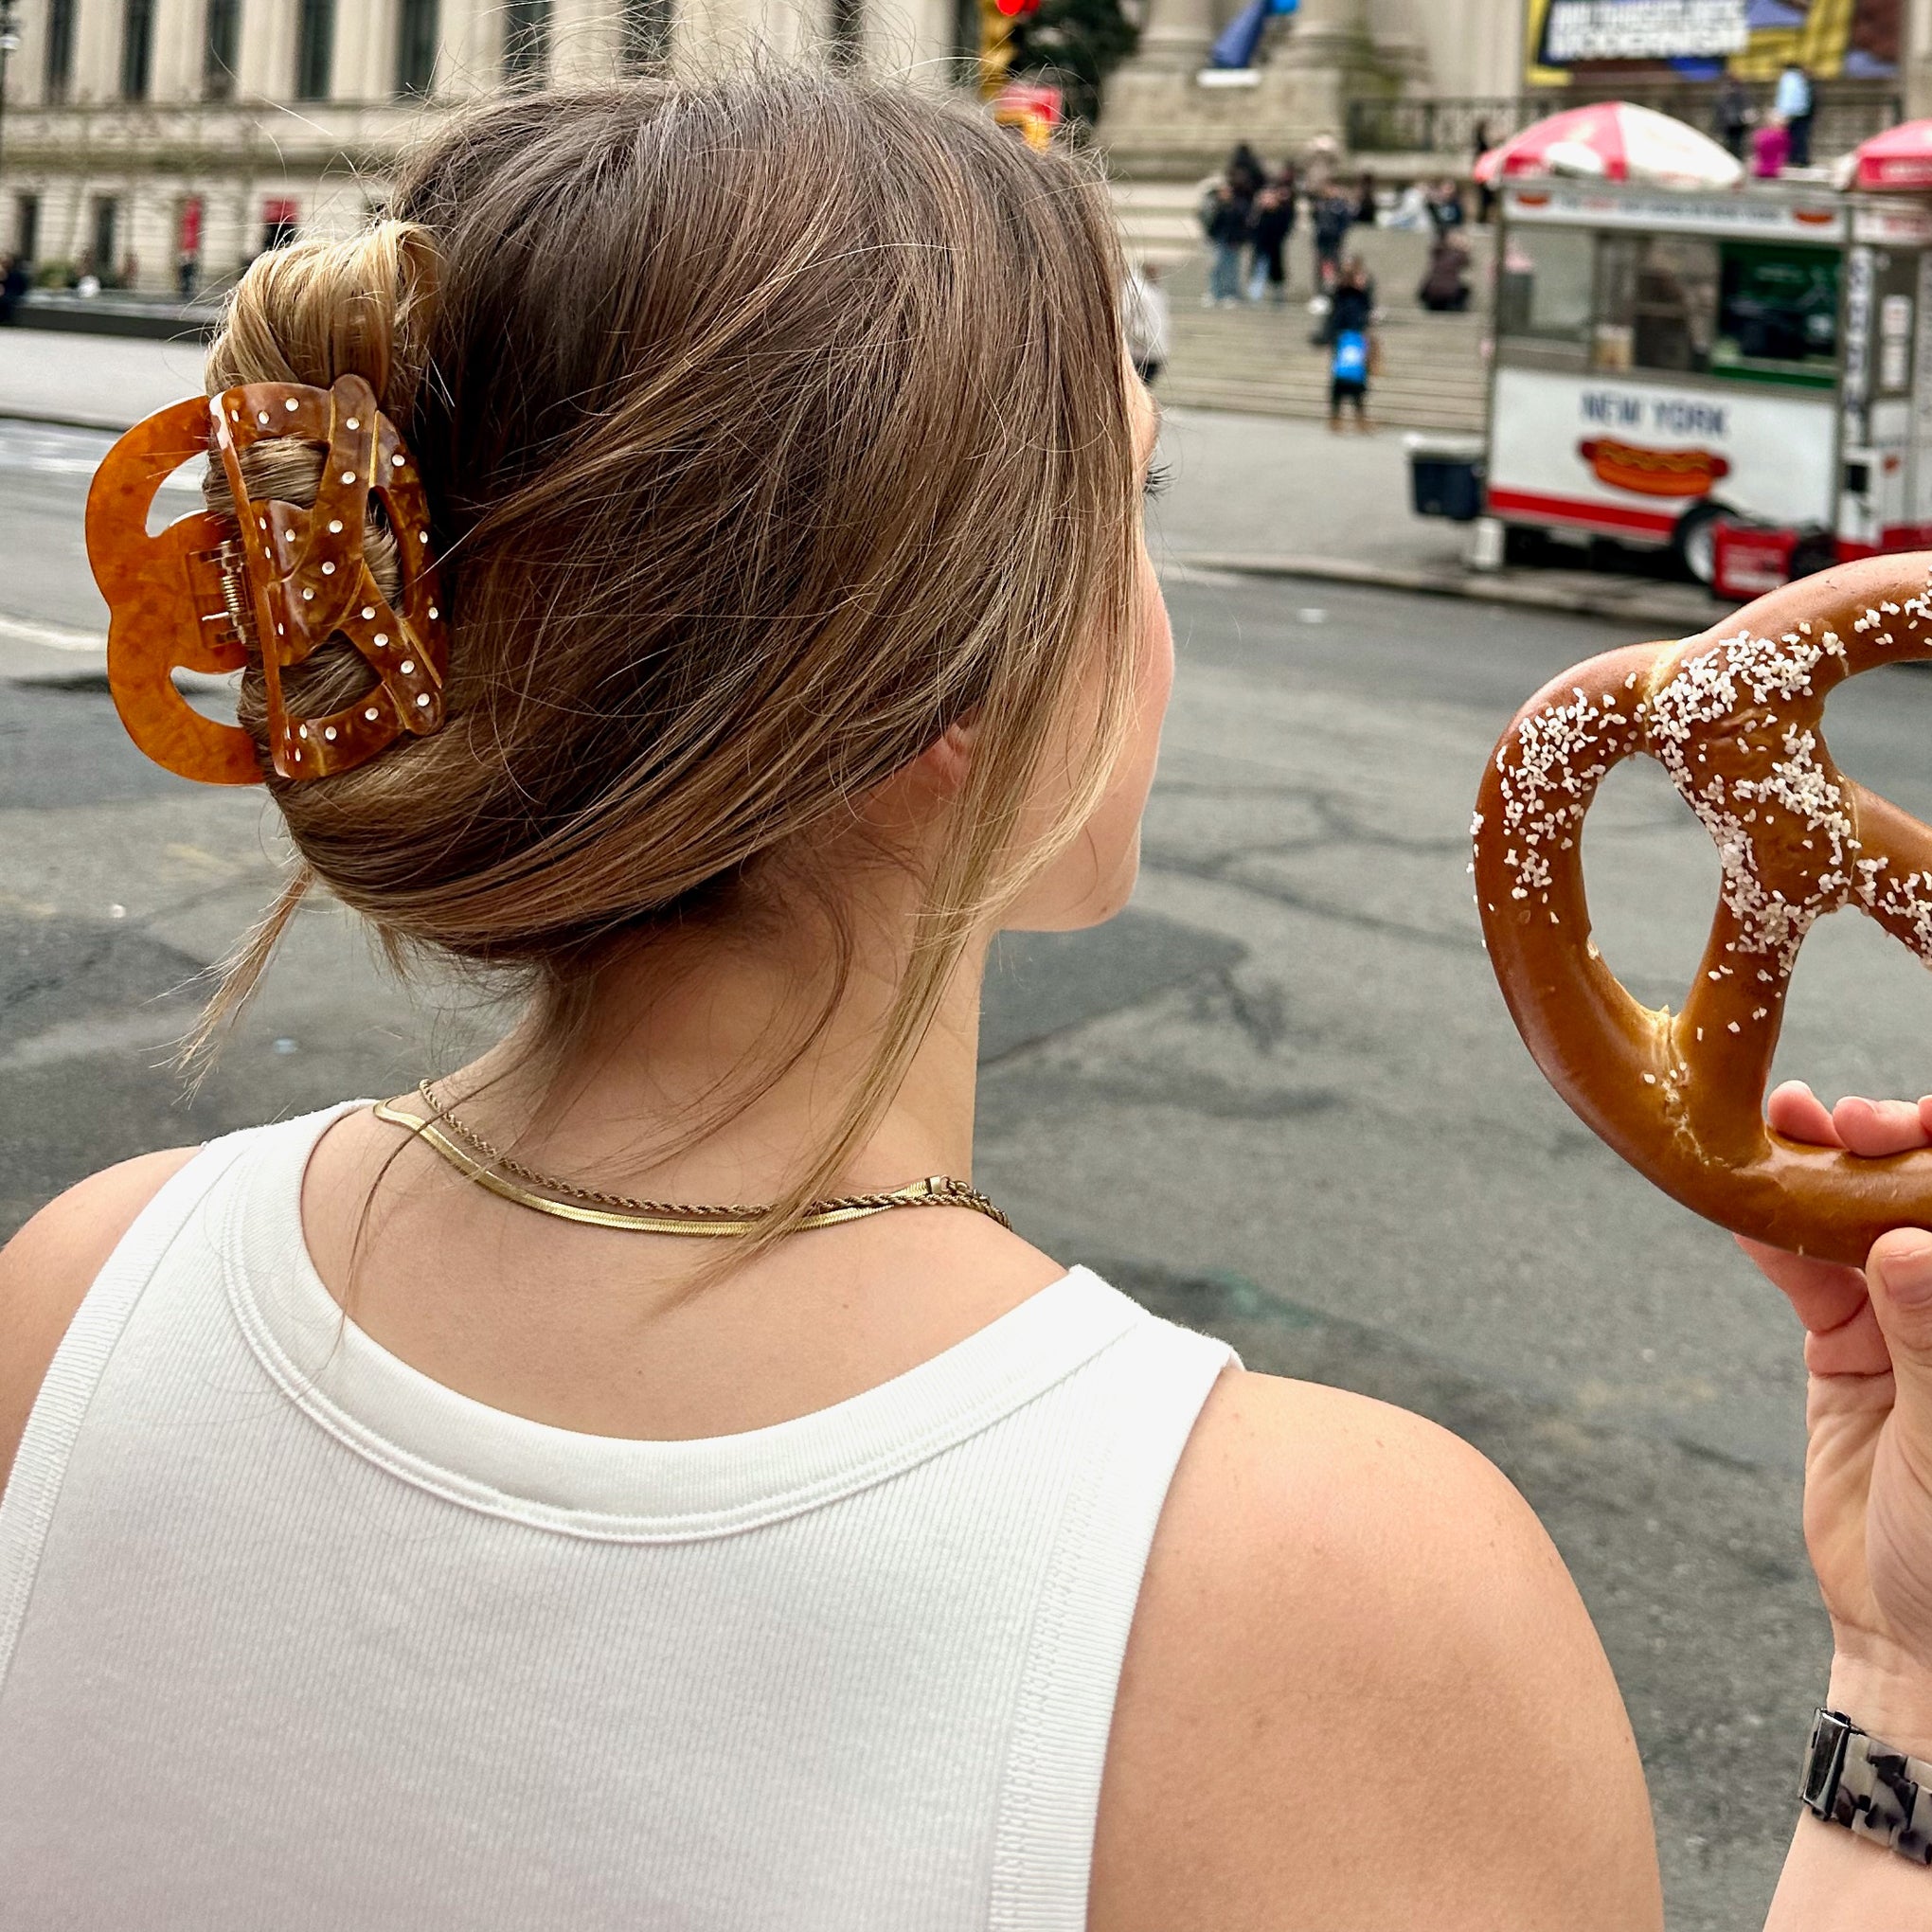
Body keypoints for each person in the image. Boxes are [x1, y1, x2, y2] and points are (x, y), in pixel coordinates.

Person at [9, 68, 1932, 1932]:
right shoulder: (1334, 1597)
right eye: (1137, 508)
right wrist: (1904, 1692)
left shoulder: (82, 1294)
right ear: (942, 699)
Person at [1324, 253, 1377, 431]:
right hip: (1342, 336)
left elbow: (1368, 307)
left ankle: (1360, 417)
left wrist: (1362, 287)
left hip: (1357, 336)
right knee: (1339, 379)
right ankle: (1335, 417)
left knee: (1358, 379)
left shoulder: (1363, 289)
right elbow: (1334, 311)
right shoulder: (1340, 289)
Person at [1199, 177, 1248, 307]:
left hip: (1232, 242)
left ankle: (1230, 294)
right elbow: (1210, 223)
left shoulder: (1238, 206)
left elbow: (1243, 225)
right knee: (1215, 268)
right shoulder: (1217, 206)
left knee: (1231, 269)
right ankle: (1214, 293)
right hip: (1218, 240)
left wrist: (1239, 240)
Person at [1246, 176, 1294, 302]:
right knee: (1258, 272)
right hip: (1261, 247)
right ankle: (1255, 297)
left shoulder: (1281, 212)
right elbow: (1251, 226)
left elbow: (1285, 227)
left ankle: (1278, 298)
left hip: (1274, 248)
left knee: (1276, 275)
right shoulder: (1259, 213)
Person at [1121, 258, 1169, 384]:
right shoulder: (1134, 288)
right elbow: (1126, 315)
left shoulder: (1155, 288)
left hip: (1155, 350)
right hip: (1139, 351)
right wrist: (1139, 336)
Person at [1311, 182, 1351, 293]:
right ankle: (1321, 290)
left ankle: (1334, 289)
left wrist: (1338, 233)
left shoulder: (1340, 206)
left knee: (1335, 263)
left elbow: (1345, 221)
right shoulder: (1321, 204)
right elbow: (1315, 217)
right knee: (1320, 265)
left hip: (1334, 240)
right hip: (1321, 239)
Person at [1417, 231, 1471, 313]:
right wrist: (1465, 249)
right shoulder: (1458, 255)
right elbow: (1467, 263)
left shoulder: (1437, 252)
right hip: (1449, 294)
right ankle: (1457, 307)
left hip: (1432, 294)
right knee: (1465, 289)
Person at [1776, 59, 1815, 168]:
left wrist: (1783, 112)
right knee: (1800, 136)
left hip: (1792, 112)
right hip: (1802, 111)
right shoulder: (1800, 79)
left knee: (1793, 137)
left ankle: (1794, 158)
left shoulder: (1788, 79)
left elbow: (1786, 97)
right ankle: (1800, 158)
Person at [1715, 71, 1754, 160]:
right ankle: (1736, 158)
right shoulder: (1740, 92)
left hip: (1732, 122)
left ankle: (1734, 158)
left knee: (1733, 143)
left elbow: (1721, 109)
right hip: (1736, 122)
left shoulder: (1726, 92)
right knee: (1736, 143)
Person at [1753, 114, 1791, 180]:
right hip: (1774, 170)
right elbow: (1784, 152)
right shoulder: (1781, 136)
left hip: (1759, 169)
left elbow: (1756, 150)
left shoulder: (1759, 134)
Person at [0, 253, 28, 326]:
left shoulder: (16, 274)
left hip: (14, 293)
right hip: (5, 293)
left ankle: (6, 319)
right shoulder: (2, 273)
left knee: (6, 300)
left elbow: (22, 286)